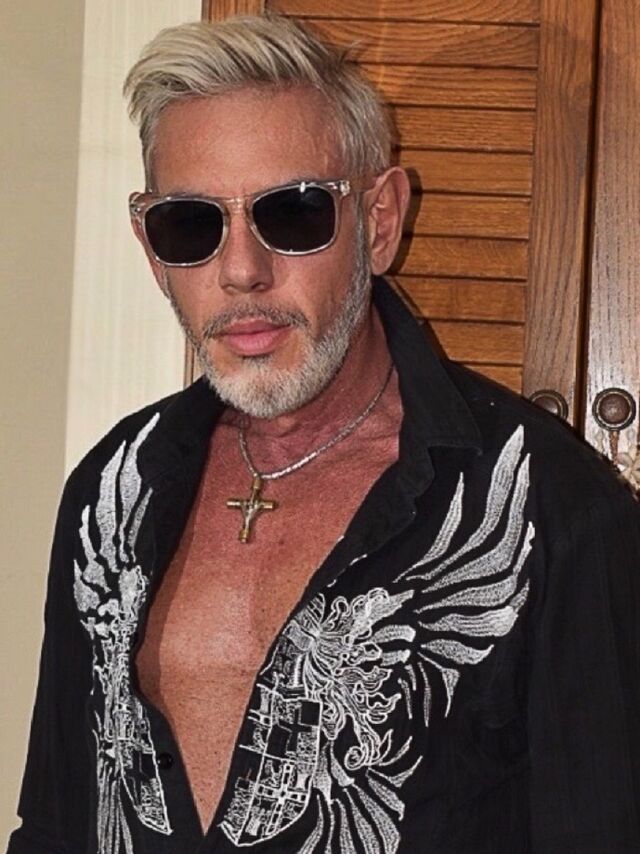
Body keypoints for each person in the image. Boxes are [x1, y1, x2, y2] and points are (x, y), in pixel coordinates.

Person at [8, 13, 640, 854]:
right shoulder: (110, 492)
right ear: (152, 251)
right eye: (191, 225)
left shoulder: (555, 512)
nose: (242, 270)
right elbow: (55, 825)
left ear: (379, 221)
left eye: (294, 214)